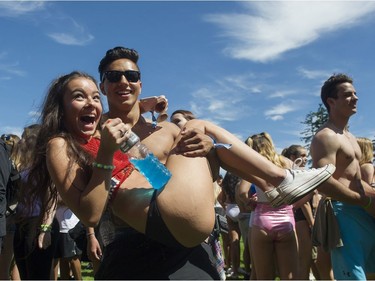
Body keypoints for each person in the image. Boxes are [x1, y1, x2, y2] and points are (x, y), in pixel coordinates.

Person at [25, 64, 336, 279]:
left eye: (95, 96)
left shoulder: (101, 135)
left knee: (199, 140)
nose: (91, 102)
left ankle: (277, 183)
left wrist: (146, 111)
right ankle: (281, 179)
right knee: (195, 125)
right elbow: (90, 214)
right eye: (79, 96)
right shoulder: (60, 144)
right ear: (61, 107)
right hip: (163, 217)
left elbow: (153, 165)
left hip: (170, 211)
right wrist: (108, 152)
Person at [311, 73, 375, 280]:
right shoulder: (325, 136)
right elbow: (322, 181)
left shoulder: (350, 136)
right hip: (343, 211)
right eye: (348, 95)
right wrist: (359, 199)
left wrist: (368, 196)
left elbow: (356, 178)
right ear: (331, 101)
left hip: (363, 210)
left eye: (355, 93)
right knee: (352, 275)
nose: (355, 98)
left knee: (370, 271)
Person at [247, 132, 298, 280]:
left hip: (262, 219)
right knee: (290, 277)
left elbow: (242, 191)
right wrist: (292, 206)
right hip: (286, 218)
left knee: (264, 277)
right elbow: (304, 191)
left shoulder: (252, 164)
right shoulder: (287, 162)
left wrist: (249, 201)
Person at [13, 124, 59, 280]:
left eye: (26, 137)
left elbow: (51, 199)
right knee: (25, 274)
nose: (22, 140)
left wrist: (45, 229)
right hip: (23, 222)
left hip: (40, 222)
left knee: (37, 275)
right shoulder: (23, 165)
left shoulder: (46, 165)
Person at [282, 144, 318, 280]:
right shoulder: (297, 173)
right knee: (305, 258)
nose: (306, 158)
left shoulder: (290, 173)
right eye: (302, 156)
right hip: (302, 219)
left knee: (308, 258)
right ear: (293, 157)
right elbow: (304, 204)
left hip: (298, 217)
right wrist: (312, 222)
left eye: (306, 155)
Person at [0, 134, 21, 280]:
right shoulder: (18, 168)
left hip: (6, 217)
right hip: (12, 217)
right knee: (8, 267)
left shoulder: (7, 165)